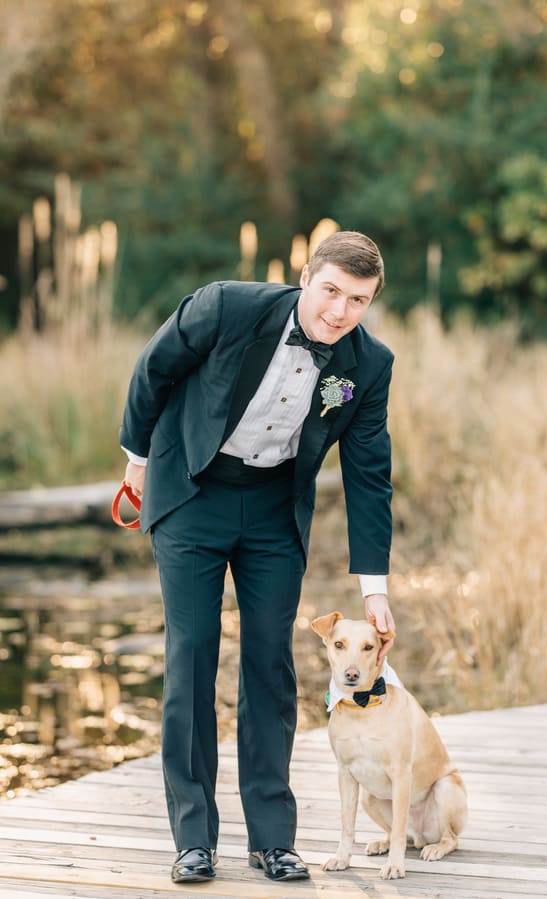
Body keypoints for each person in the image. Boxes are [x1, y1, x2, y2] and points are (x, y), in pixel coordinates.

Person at [119, 230, 396, 883]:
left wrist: (374, 585)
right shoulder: (226, 307)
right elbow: (153, 370)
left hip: (274, 509)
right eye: (331, 291)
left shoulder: (368, 364)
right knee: (190, 654)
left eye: (358, 299)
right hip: (192, 491)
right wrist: (136, 462)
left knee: (271, 666)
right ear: (307, 277)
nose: (339, 311)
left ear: (370, 300)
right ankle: (194, 838)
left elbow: (369, 475)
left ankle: (274, 839)